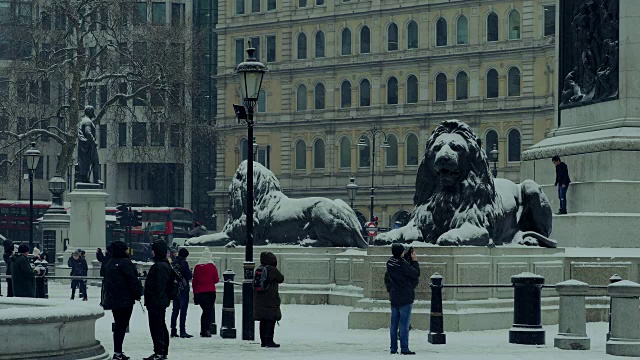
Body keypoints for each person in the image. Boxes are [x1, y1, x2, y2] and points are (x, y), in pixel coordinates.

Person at [102, 241, 142, 360]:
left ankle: (117, 351)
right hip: (126, 299)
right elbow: (133, 280)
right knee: (122, 325)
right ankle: (118, 352)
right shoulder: (125, 263)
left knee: (118, 324)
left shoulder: (109, 264)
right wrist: (137, 293)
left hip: (114, 299)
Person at [384, 244, 420, 355]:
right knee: (404, 324)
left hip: (394, 296)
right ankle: (404, 348)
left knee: (394, 324)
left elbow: (393, 273)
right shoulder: (403, 265)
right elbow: (415, 273)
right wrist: (414, 261)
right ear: (401, 252)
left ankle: (393, 348)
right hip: (405, 297)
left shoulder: (390, 263)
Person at [144, 240, 173, 360]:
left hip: (156, 301)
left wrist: (154, 298)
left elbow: (159, 285)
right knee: (160, 325)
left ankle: (159, 351)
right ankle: (161, 351)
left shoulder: (160, 266)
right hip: (159, 301)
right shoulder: (164, 264)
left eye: (153, 250)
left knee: (157, 326)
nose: (152, 252)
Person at [254, 251, 285, 348]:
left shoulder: (259, 268)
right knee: (270, 321)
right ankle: (269, 341)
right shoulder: (272, 269)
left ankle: (263, 341)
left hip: (260, 300)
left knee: (263, 321)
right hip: (270, 300)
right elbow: (281, 278)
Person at [192, 254, 220, 337]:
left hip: (199, 292)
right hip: (210, 292)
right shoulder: (212, 266)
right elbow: (216, 279)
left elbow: (194, 282)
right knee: (208, 312)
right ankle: (206, 330)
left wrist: (195, 293)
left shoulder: (197, 267)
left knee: (204, 311)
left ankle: (203, 329)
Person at [170, 248, 193, 338]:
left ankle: (173, 330)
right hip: (183, 289)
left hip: (175, 289)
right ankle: (182, 331)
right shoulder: (184, 263)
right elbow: (188, 276)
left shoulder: (173, 263)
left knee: (175, 310)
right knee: (183, 311)